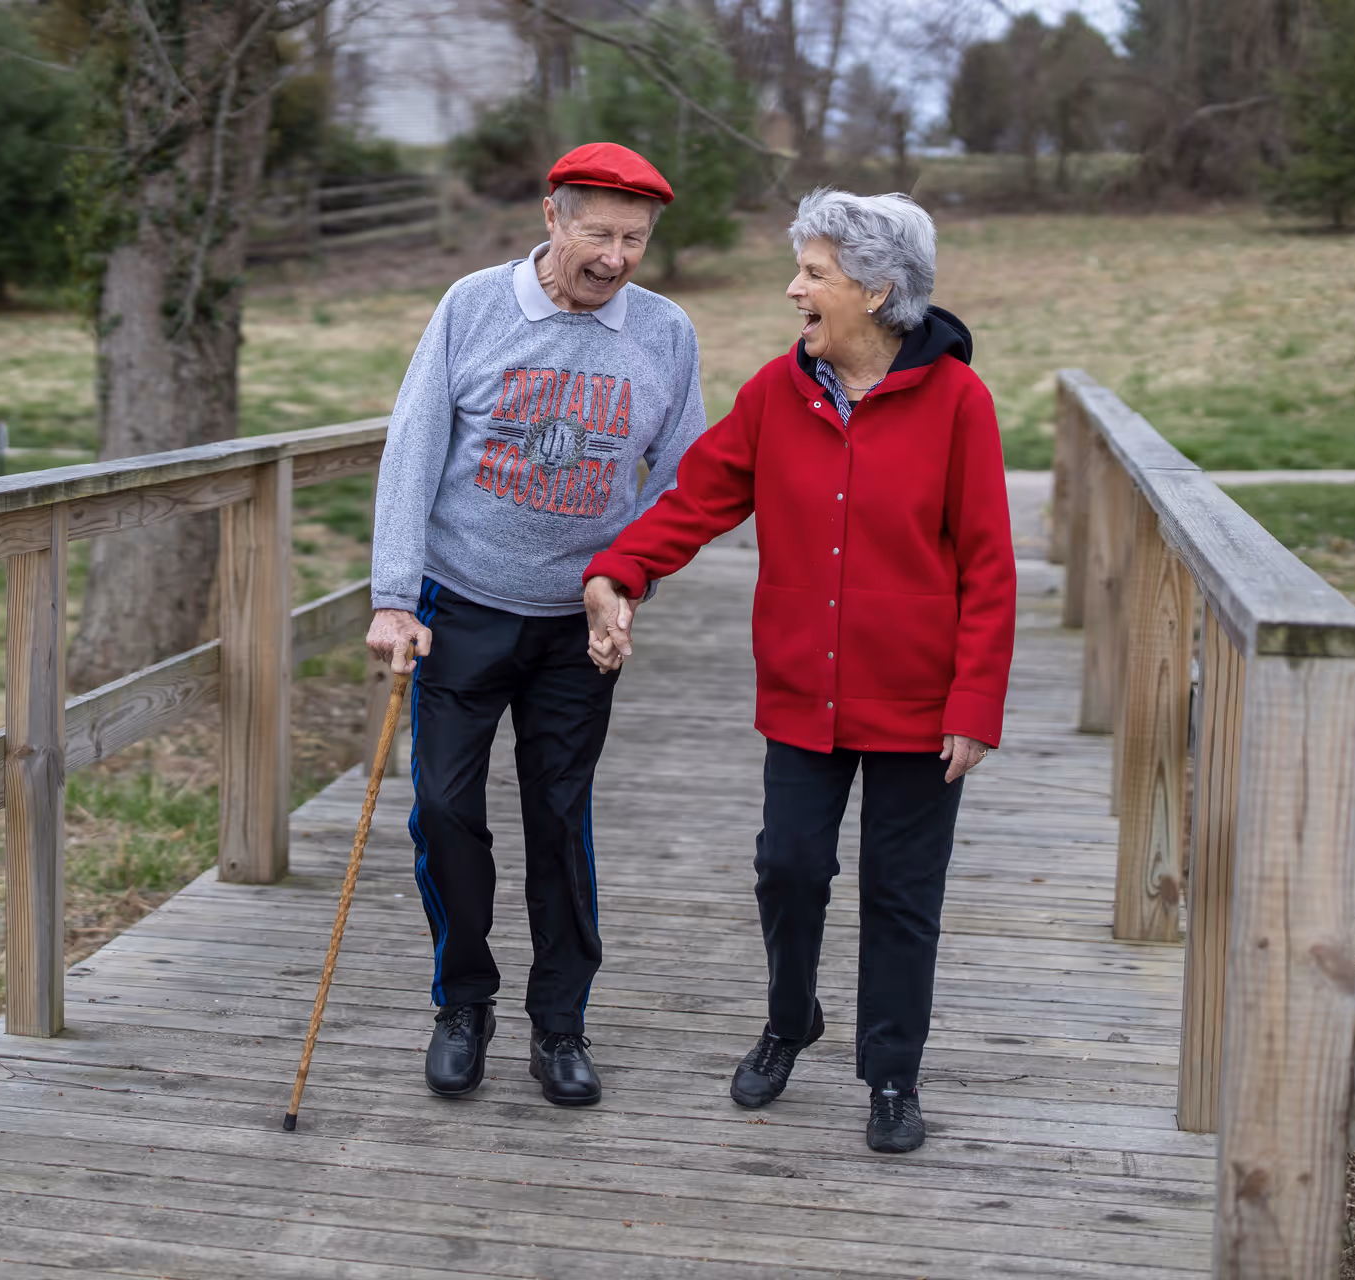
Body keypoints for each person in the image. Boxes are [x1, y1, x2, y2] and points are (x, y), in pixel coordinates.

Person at [581, 188, 1016, 1152]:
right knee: (787, 869)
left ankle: (892, 1073)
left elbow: (989, 563)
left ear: (878, 287)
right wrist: (620, 570)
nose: (795, 290)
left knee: (903, 894)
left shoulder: (958, 403)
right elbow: (695, 498)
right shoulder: (776, 394)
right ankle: (790, 1021)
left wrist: (976, 700)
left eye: (815, 274)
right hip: (801, 692)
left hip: (918, 698)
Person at [367, 143, 710, 1107]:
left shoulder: (665, 333)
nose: (616, 257)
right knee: (444, 807)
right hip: (461, 603)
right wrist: (395, 593)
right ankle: (463, 1002)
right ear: (553, 219)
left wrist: (629, 582)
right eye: (597, 233)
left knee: (560, 820)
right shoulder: (472, 306)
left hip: (578, 619)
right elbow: (413, 447)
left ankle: (559, 1023)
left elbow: (689, 478)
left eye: (636, 240)